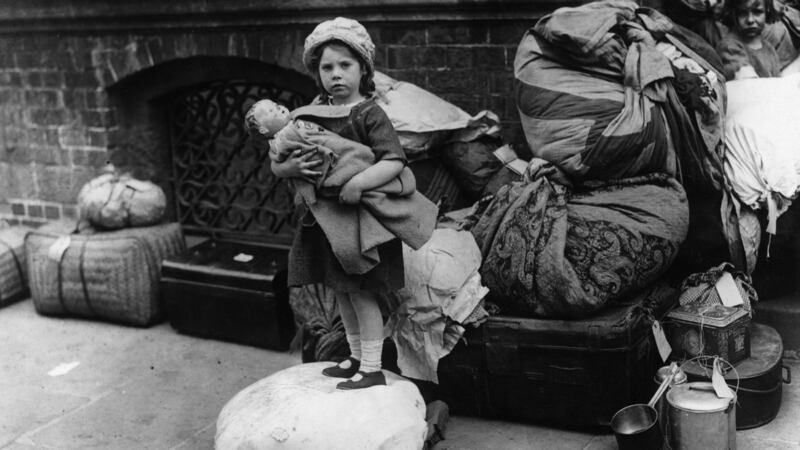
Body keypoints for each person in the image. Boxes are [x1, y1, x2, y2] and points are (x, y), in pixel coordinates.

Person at [270, 17, 436, 390]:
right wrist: (290, 166)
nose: (336, 74)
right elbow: (281, 157)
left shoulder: (369, 113)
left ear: (364, 69)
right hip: (328, 221)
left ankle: (373, 368)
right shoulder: (313, 112)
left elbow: (394, 161)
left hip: (363, 222)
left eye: (346, 65)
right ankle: (355, 357)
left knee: (361, 293)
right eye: (326, 67)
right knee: (340, 290)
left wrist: (359, 182)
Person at [717, 0, 783, 79]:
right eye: (743, 13)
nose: (750, 20)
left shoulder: (769, 48)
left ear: (767, 11)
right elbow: (747, 82)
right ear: (733, 15)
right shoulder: (729, 47)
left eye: (757, 12)